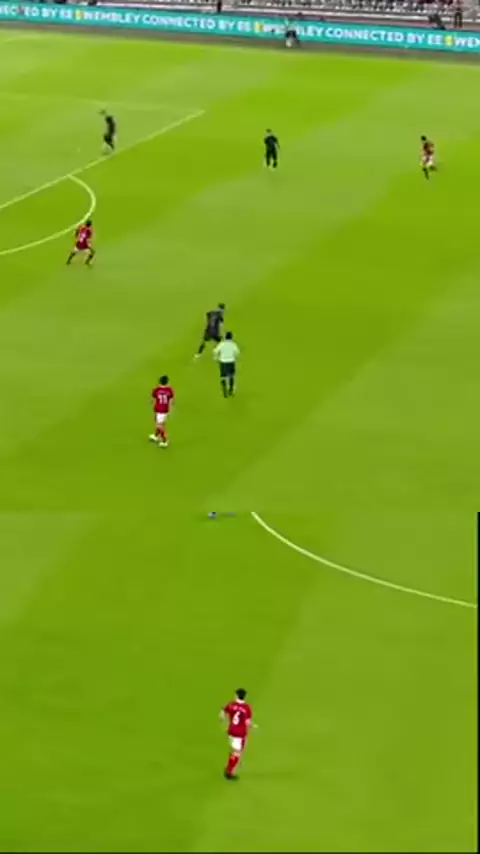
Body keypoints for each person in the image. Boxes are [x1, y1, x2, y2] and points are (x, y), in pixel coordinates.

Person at [220, 688, 255, 780]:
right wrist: (252, 726)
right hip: (240, 734)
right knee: (237, 753)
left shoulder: (231, 704)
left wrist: (223, 717)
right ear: (245, 696)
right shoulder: (247, 708)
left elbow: (222, 715)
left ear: (236, 695)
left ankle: (229, 766)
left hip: (231, 731)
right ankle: (229, 772)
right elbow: (247, 722)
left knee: (233, 750)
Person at [150, 375, 174, 447]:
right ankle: (156, 436)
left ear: (159, 381)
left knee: (159, 425)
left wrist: (153, 406)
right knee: (159, 423)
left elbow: (153, 400)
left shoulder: (156, 390)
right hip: (165, 410)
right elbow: (171, 401)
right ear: (167, 382)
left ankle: (165, 441)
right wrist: (170, 410)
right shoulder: (170, 390)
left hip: (158, 409)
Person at [213, 332, 239, 398]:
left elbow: (215, 351)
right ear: (231, 337)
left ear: (225, 337)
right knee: (231, 376)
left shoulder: (222, 344)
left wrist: (216, 357)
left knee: (223, 376)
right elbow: (237, 353)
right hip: (231, 362)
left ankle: (224, 388)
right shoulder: (233, 344)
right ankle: (230, 389)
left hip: (223, 362)